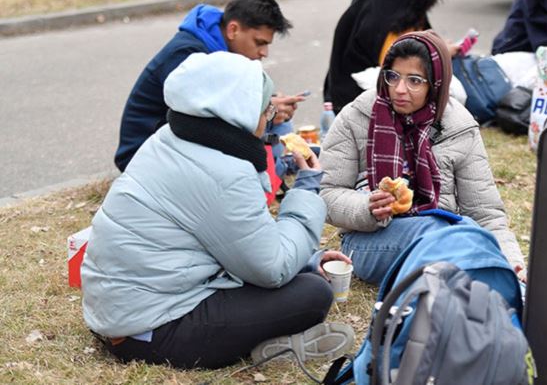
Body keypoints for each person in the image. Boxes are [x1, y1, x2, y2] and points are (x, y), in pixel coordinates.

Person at [82, 51, 354, 369]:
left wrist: (306, 259)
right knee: (314, 294)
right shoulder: (224, 173)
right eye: (266, 108)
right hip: (149, 330)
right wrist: (307, 188)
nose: (270, 118)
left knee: (303, 278)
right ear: (237, 112)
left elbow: (234, 242)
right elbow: (272, 270)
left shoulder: (173, 138)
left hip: (118, 310)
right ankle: (275, 348)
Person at [319, 31, 525, 285]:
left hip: (446, 235)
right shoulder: (356, 116)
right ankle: (485, 273)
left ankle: (495, 277)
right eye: (392, 76)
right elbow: (327, 193)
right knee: (447, 231)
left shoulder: (459, 127)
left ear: (436, 84)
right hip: (368, 242)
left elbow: (486, 213)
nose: (399, 89)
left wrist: (511, 262)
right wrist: (367, 207)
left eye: (415, 80)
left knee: (465, 228)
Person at [114, 0, 305, 174]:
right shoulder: (189, 56)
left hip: (173, 143)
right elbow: (210, 127)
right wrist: (266, 112)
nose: (264, 53)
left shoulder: (213, 50)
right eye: (259, 42)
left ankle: (277, 167)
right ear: (233, 30)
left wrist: (265, 104)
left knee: (279, 128)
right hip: (141, 156)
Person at [323, 0, 466, 115]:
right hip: (359, 104)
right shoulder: (396, 20)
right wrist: (442, 52)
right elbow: (401, 69)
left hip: (339, 94)